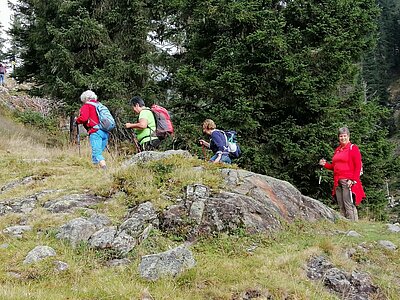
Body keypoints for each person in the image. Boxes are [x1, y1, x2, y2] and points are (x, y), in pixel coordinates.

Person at [319, 127, 365, 221]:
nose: (342, 138)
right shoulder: (338, 150)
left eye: (344, 136)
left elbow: (358, 166)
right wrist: (325, 165)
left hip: (348, 180)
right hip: (337, 181)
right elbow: (334, 167)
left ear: (348, 136)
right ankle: (345, 224)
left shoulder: (353, 148)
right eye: (340, 136)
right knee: (341, 204)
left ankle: (354, 226)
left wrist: (353, 180)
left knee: (348, 204)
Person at [75, 90, 108, 169]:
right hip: (105, 131)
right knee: (98, 152)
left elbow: (84, 118)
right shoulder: (99, 105)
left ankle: (105, 169)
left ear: (85, 98)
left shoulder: (87, 106)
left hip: (95, 132)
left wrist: (77, 120)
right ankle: (95, 169)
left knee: (97, 153)